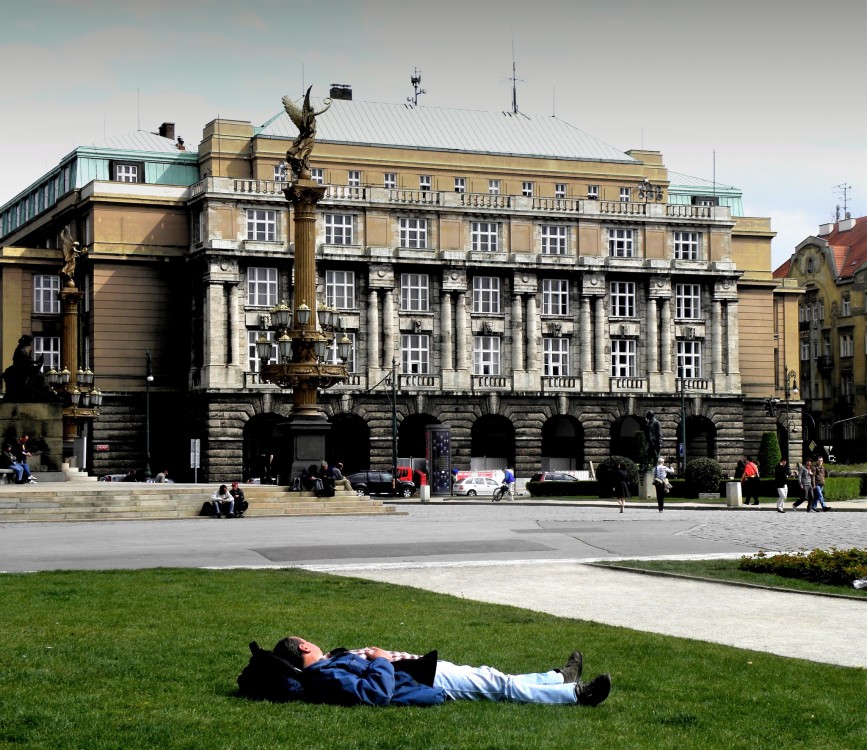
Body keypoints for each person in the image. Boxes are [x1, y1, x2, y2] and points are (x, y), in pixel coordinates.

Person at [274, 636, 611, 708]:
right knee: (500, 686)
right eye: (308, 641)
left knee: (495, 677)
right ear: (304, 648)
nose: (314, 642)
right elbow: (373, 693)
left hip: (423, 670)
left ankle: (557, 677)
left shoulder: (327, 666)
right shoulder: (323, 674)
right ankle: (576, 694)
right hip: (425, 677)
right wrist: (377, 658)